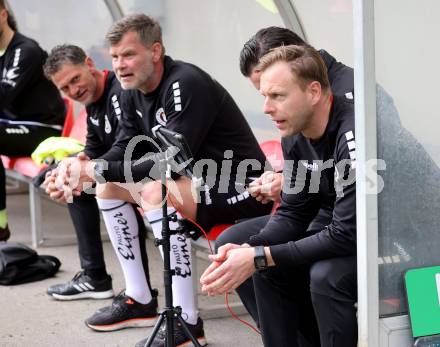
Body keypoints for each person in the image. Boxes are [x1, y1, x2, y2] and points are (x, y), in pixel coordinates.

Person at [54, 14, 272, 346]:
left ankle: (186, 322)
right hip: (196, 184)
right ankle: (139, 299)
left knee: (158, 190)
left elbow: (171, 160)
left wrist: (96, 170)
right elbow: (125, 147)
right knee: (109, 187)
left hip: (242, 186)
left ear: (155, 51)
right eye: (114, 57)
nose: (120, 65)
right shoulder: (131, 89)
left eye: (128, 55)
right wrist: (83, 167)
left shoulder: (186, 82)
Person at [201, 45, 358, 347]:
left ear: (313, 92)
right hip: (350, 231)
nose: (267, 108)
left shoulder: (352, 133)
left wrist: (260, 256)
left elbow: (346, 234)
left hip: (403, 238)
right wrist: (251, 249)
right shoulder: (295, 133)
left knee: (326, 276)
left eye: (278, 96)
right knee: (269, 269)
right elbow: (294, 212)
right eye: (264, 97)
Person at [42, 44, 156, 326]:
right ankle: (96, 277)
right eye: (65, 88)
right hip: (125, 174)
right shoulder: (93, 101)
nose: (73, 90)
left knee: (83, 184)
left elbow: (126, 145)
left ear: (89, 64)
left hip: (152, 173)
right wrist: (65, 173)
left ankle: (135, 294)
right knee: (72, 185)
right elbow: (93, 147)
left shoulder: (121, 89)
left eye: (75, 79)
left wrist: (84, 171)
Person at [0, 0, 65, 241]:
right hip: (12, 127)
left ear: (3, 15)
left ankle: (0, 226)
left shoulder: (25, 50)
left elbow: (3, 96)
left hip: (43, 130)